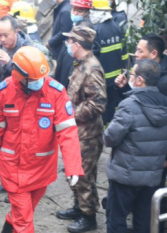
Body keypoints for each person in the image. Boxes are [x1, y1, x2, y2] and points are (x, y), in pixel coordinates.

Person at [0, 46, 84, 233]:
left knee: (22, 214)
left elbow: (67, 132)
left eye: (42, 78)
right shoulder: (2, 93)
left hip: (41, 168)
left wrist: (73, 166)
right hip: (13, 168)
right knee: (24, 222)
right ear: (19, 75)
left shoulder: (56, 92)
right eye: (35, 80)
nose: (40, 83)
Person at [104, 59, 167, 233]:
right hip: (152, 176)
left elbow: (110, 138)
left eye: (132, 74)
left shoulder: (130, 105)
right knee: (144, 221)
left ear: (139, 80)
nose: (129, 77)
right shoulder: (164, 103)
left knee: (116, 220)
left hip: (125, 175)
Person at [56, 26, 106, 233]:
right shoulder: (80, 64)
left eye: (70, 42)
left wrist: (70, 114)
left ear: (77, 44)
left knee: (84, 176)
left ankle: (89, 216)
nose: (67, 44)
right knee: (74, 172)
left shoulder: (92, 68)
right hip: (75, 132)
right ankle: (79, 207)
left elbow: (98, 103)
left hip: (87, 134)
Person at [90, 0, 128, 126]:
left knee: (101, 104)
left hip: (101, 76)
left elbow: (93, 55)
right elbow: (124, 52)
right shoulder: (116, 26)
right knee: (111, 101)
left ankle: (103, 126)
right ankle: (110, 125)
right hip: (116, 76)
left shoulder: (96, 30)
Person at [55, 0, 92, 88]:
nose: (75, 13)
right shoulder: (75, 25)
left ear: (87, 13)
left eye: (80, 11)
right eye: (74, 10)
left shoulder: (87, 30)